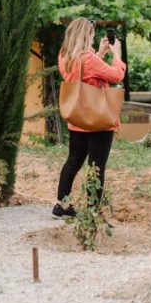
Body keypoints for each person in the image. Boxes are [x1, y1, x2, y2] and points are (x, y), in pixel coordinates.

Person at [53, 17, 125, 218]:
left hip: (77, 120)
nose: (94, 39)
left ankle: (62, 205)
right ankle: (93, 210)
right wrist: (116, 54)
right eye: (92, 35)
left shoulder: (65, 56)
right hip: (97, 121)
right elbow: (116, 75)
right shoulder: (88, 59)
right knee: (97, 166)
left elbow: (85, 73)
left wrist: (100, 53)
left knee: (73, 161)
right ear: (86, 35)